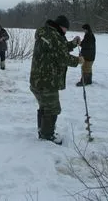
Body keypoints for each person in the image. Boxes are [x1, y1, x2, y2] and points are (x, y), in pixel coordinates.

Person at [29, 15, 83, 145]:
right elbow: (61, 56)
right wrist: (78, 60)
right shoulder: (53, 36)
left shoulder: (48, 34)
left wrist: (73, 43)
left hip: (38, 80)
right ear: (61, 27)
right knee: (53, 109)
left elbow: (59, 47)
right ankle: (47, 136)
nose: (66, 31)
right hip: (47, 81)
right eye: (65, 29)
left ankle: (43, 131)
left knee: (45, 107)